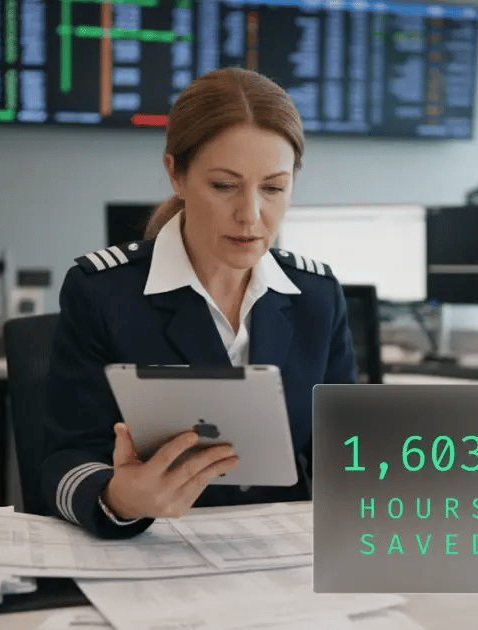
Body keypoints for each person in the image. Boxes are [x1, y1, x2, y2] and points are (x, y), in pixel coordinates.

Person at [42, 67, 357, 539]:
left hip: (281, 559)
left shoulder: (317, 296)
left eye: (273, 188)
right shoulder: (103, 293)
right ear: (177, 174)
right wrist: (118, 499)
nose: (251, 215)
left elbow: (346, 454)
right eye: (224, 185)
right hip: (153, 548)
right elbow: (61, 461)